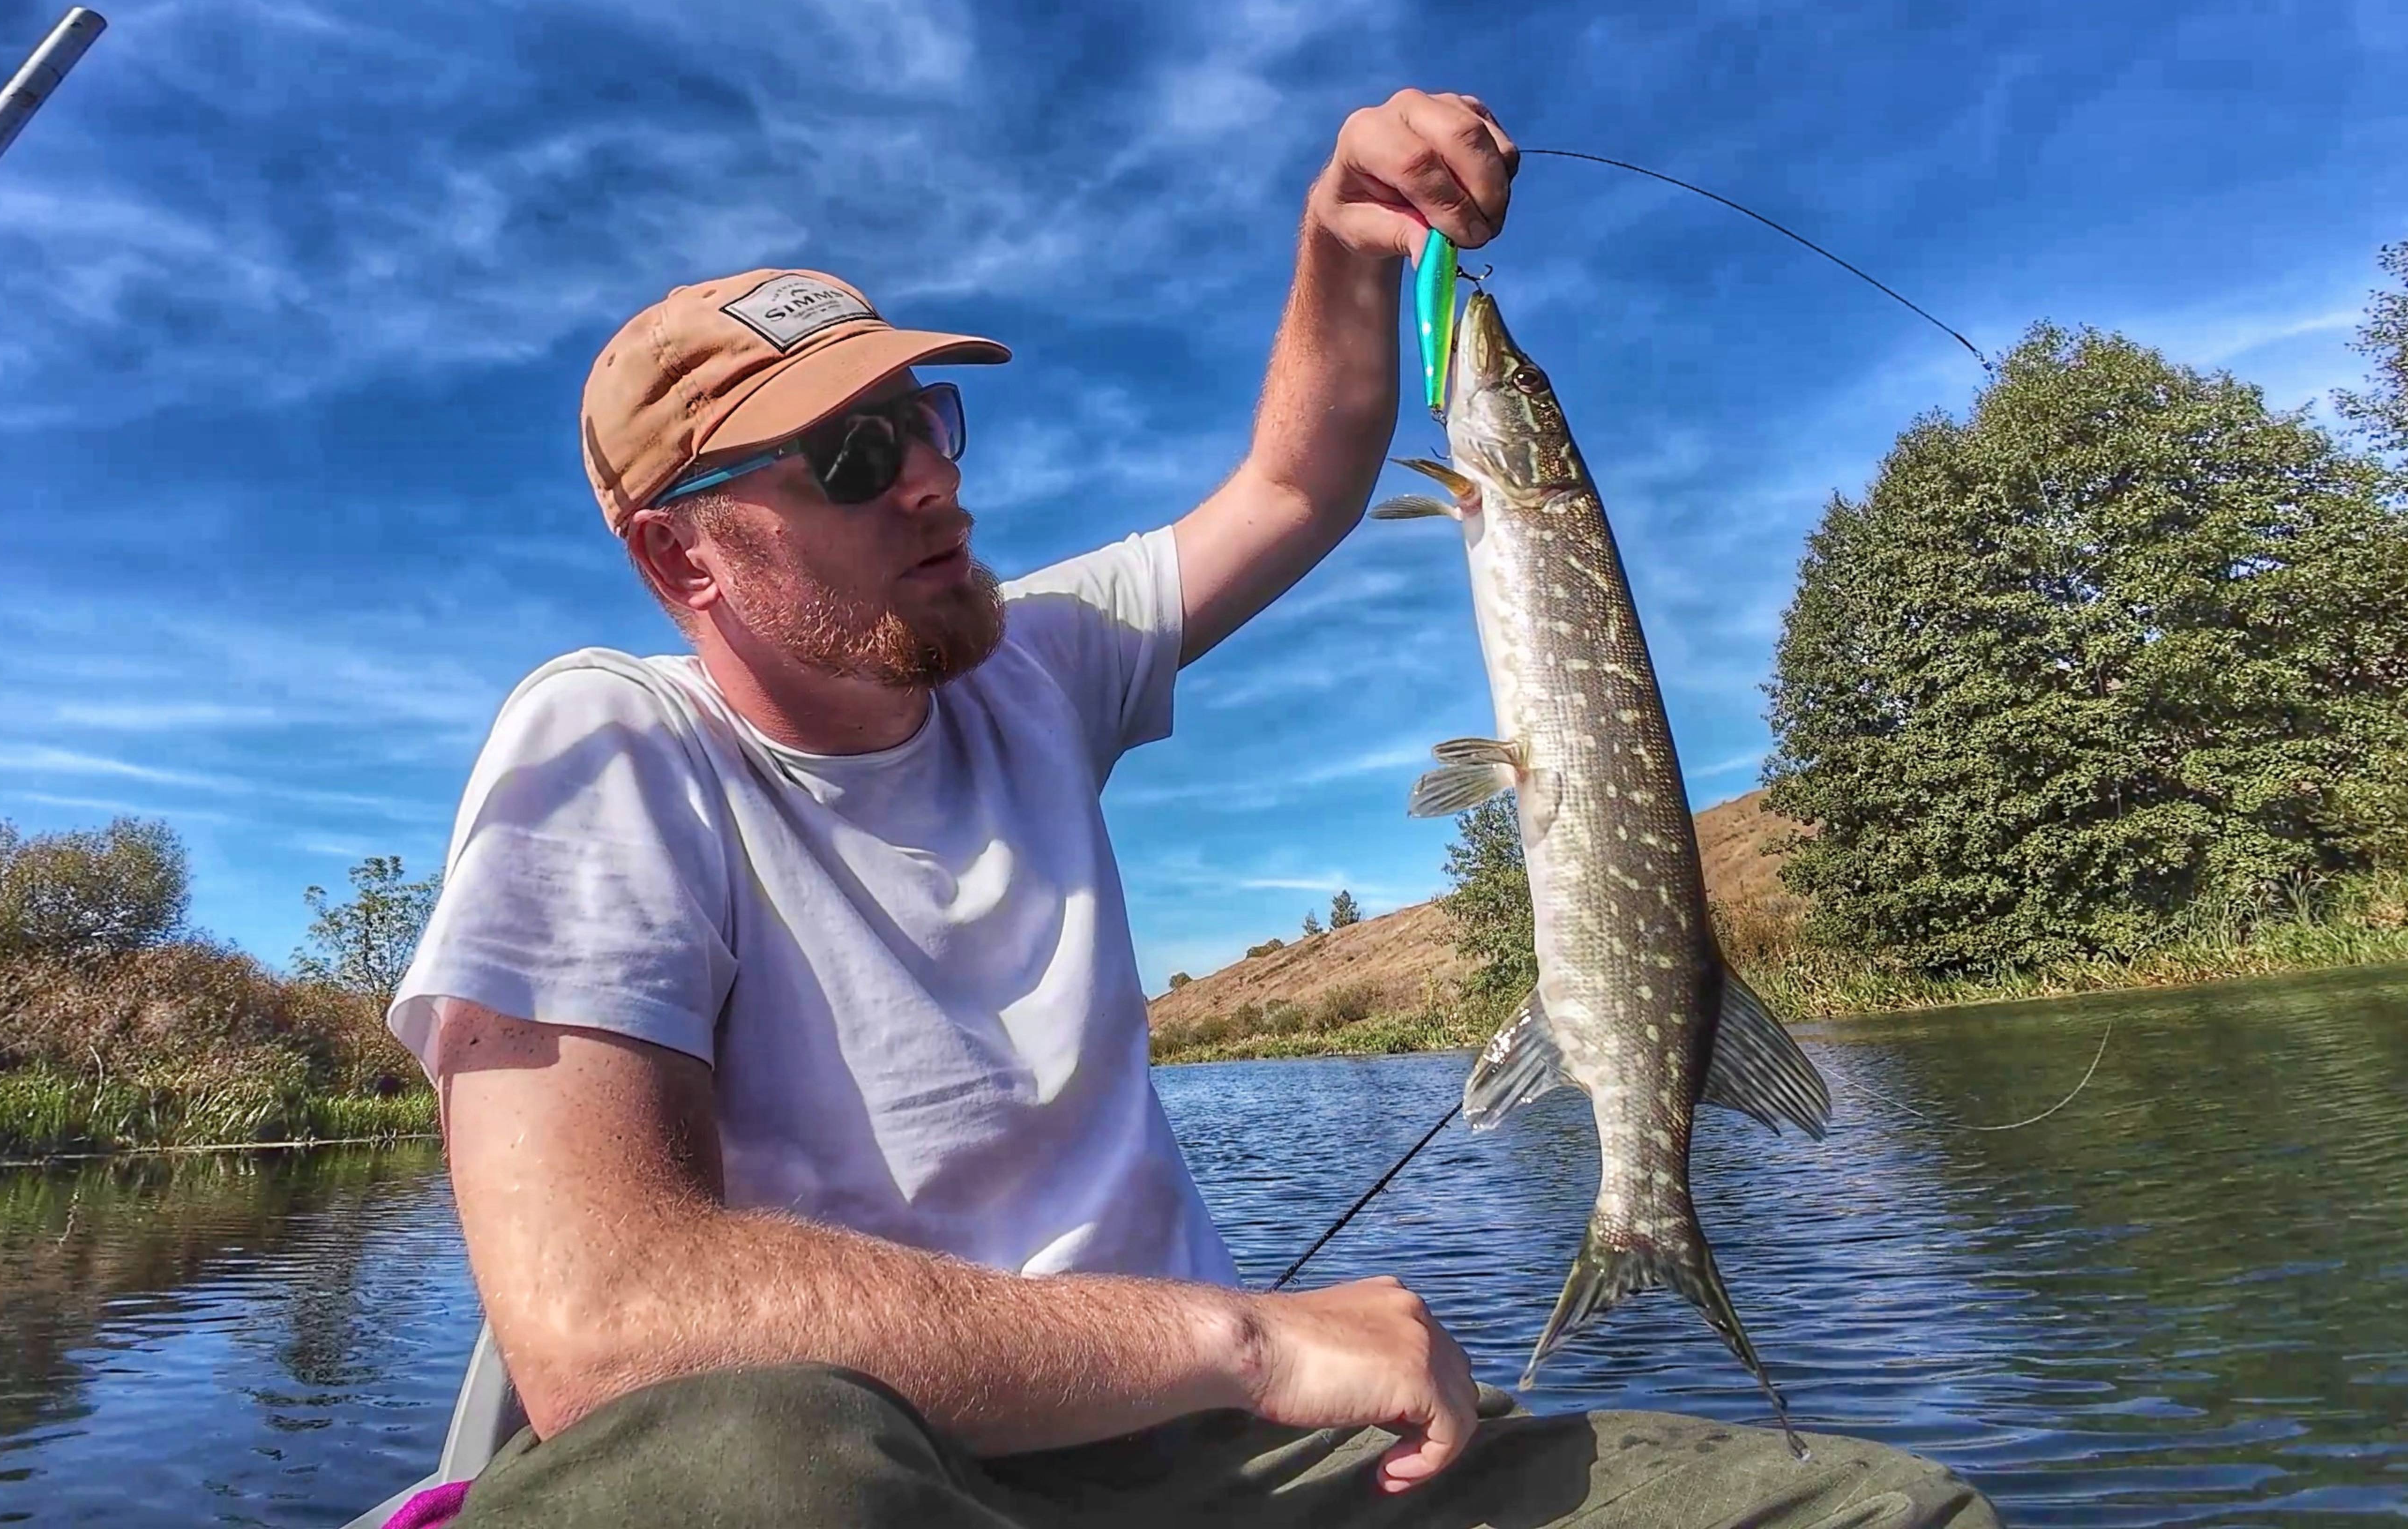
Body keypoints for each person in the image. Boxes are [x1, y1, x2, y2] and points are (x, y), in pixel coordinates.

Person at [385, 91, 1996, 1527]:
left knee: (1886, 1516)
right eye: (851, 455)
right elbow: (601, 1325)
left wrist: (1345, 238)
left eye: (929, 422)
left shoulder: (1029, 663)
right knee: (738, 1478)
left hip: (1199, 1454)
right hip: (878, 1461)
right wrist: (1248, 1334)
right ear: (684, 559)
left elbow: (1297, 486)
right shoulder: (606, 745)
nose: (932, 480)